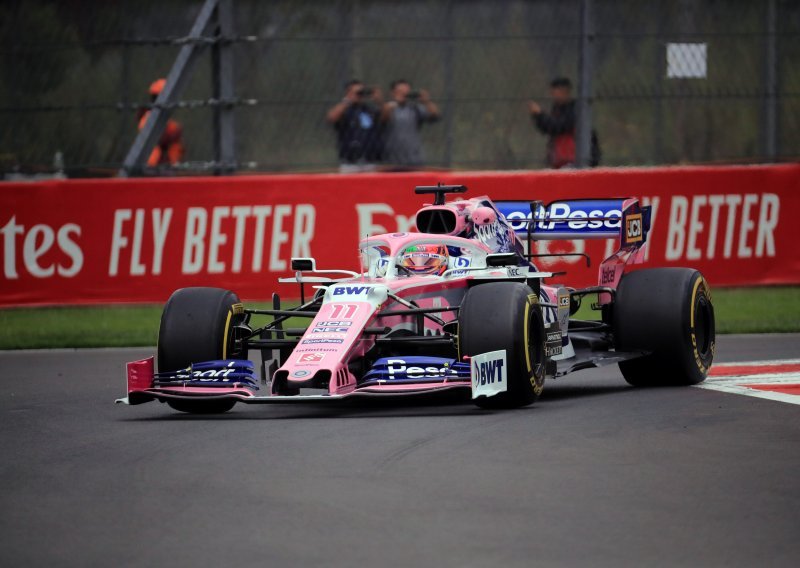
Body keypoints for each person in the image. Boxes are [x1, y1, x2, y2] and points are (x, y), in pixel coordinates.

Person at [529, 77, 599, 168]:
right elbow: (548, 128)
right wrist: (537, 116)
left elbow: (558, 126)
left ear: (565, 91)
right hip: (561, 161)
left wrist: (540, 114)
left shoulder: (575, 109)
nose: (553, 96)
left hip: (575, 161)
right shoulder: (557, 109)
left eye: (556, 92)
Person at [326, 80, 384, 173]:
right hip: (350, 162)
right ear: (348, 93)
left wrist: (379, 101)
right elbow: (331, 117)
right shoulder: (345, 109)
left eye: (361, 92)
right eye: (357, 92)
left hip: (369, 160)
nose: (360, 95)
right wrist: (348, 100)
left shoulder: (369, 109)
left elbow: (385, 117)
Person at [380, 79, 439, 169]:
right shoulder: (389, 107)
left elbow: (434, 115)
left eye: (406, 92)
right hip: (393, 160)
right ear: (393, 93)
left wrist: (426, 101)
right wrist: (395, 101)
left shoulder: (415, 108)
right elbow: (383, 118)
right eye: (400, 91)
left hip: (414, 158)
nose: (403, 94)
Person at [136, 78, 185, 168]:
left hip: (167, 165)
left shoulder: (166, 119)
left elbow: (175, 132)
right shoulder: (147, 117)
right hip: (152, 164)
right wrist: (174, 134)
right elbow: (158, 137)